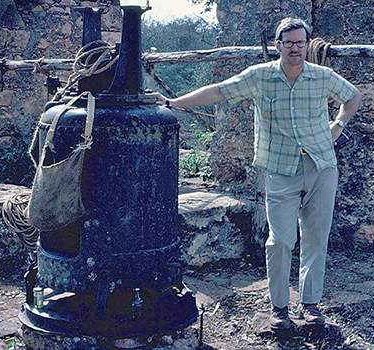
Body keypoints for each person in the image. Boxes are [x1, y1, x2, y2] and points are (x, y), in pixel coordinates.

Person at [152, 17, 362, 330]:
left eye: (300, 42)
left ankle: (310, 305)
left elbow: (352, 95)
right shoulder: (259, 77)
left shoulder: (322, 76)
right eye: (288, 42)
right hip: (280, 169)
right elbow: (219, 91)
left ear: (307, 45)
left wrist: (338, 125)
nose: (295, 48)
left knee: (316, 238)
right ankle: (280, 308)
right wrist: (172, 102)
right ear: (278, 46)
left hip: (321, 166)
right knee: (280, 240)